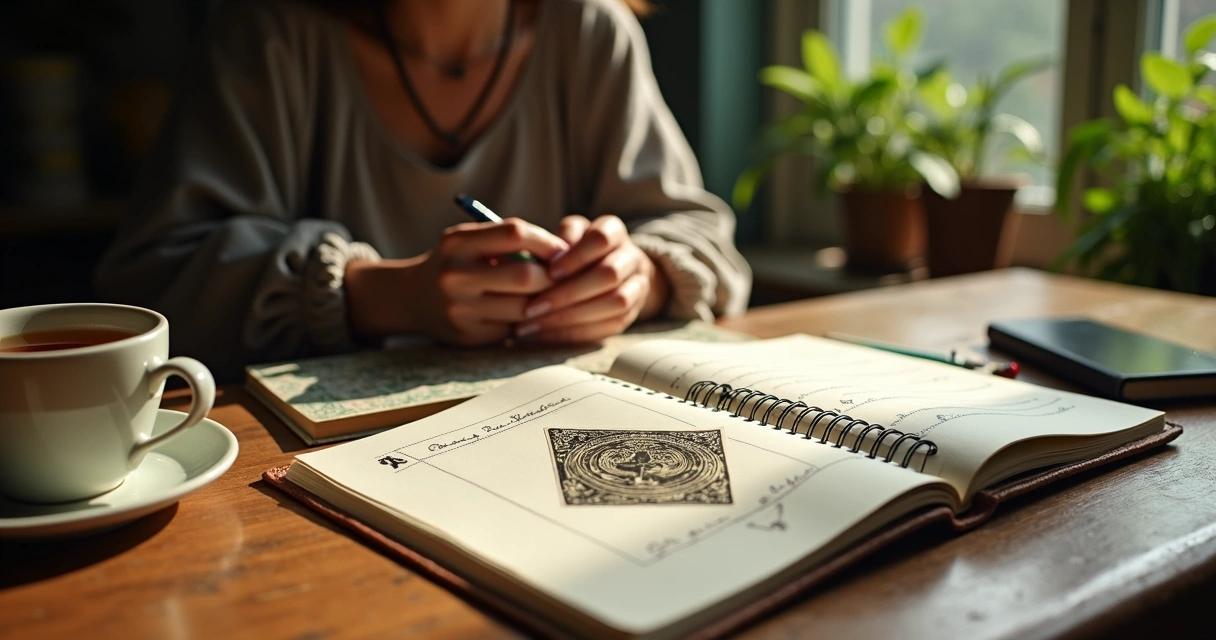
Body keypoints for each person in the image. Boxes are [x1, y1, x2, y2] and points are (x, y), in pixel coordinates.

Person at [94, 0, 752, 382]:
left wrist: (637, 277)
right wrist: (381, 295)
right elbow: (153, 290)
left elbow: (702, 239)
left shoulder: (590, 30)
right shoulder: (267, 39)